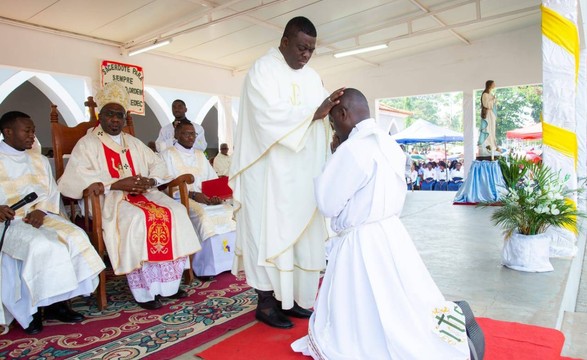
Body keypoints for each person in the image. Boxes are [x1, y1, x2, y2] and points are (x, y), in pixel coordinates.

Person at [291, 88, 470, 359]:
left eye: (333, 122)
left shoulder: (352, 149)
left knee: (363, 300)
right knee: (398, 295)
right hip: (391, 232)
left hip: (361, 240)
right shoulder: (388, 144)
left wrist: (332, 158)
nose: (334, 129)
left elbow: (328, 204)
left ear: (342, 113)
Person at [229, 16, 344, 329]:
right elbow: (266, 116)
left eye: (311, 50)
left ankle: (290, 301)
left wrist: (329, 119)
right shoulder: (262, 70)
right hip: (268, 176)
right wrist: (314, 113)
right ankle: (266, 304)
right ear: (284, 41)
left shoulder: (313, 76)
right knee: (268, 236)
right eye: (301, 47)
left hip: (300, 176)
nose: (306, 55)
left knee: (299, 238)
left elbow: (320, 119)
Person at [58, 82, 201, 310]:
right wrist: (114, 183)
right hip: (110, 200)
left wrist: (151, 181)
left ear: (124, 119)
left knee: (176, 211)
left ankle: (168, 286)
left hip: (146, 195)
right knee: (139, 220)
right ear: (100, 116)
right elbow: (73, 179)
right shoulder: (87, 144)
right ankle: (145, 291)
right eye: (110, 114)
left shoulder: (133, 142)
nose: (115, 119)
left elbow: (158, 165)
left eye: (120, 115)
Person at [0, 111, 105, 334]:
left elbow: (49, 193)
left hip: (41, 216)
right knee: (42, 247)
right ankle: (32, 311)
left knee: (76, 237)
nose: (32, 135)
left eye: (33, 130)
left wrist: (43, 210)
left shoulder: (38, 159)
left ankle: (58, 304)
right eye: (26, 130)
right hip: (10, 222)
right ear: (7, 132)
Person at [160, 120, 236, 278]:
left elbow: (212, 180)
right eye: (185, 134)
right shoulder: (168, 154)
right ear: (176, 134)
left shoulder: (200, 155)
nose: (190, 137)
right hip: (181, 199)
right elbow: (167, 184)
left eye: (192, 134)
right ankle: (204, 267)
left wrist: (215, 196)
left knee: (230, 212)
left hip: (206, 198)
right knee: (203, 215)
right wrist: (193, 195)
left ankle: (228, 263)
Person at [478, 80, 497, 157]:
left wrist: (494, 99)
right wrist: (493, 99)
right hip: (488, 114)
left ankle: (492, 145)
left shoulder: (490, 94)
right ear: (490, 85)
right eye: (493, 84)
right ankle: (487, 145)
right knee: (488, 129)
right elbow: (486, 104)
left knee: (492, 130)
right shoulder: (485, 94)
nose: (494, 85)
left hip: (491, 114)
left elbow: (493, 105)